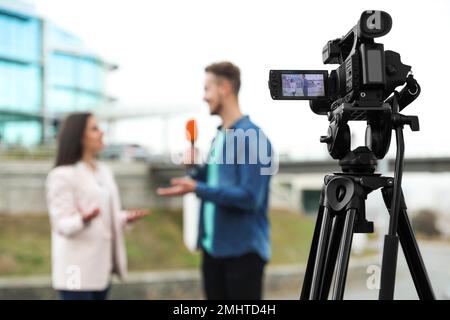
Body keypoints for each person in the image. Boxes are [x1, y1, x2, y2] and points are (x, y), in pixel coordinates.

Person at [157, 62, 273, 300]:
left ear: (225, 88)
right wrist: (194, 171)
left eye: (207, 88)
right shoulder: (219, 137)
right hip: (213, 253)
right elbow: (213, 179)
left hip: (243, 256)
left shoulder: (254, 138)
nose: (204, 96)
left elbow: (250, 198)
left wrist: (198, 188)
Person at [46, 112, 149, 300]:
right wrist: (82, 219)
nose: (102, 132)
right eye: (94, 129)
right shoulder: (62, 175)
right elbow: (61, 224)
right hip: (74, 272)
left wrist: (125, 217)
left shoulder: (104, 171)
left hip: (100, 270)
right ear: (79, 136)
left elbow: (103, 215)